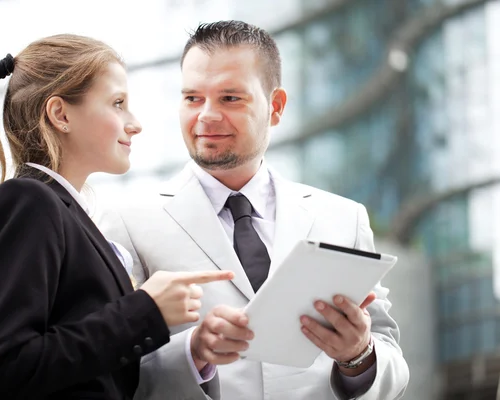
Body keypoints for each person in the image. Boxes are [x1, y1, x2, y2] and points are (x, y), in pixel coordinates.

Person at [99, 21, 410, 399]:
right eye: (193, 98)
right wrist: (192, 353)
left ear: (275, 107)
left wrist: (358, 355)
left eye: (230, 98)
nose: (207, 116)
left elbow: (392, 361)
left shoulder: (344, 219)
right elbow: (106, 364)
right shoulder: (127, 222)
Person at [0, 34, 233, 400]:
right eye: (117, 103)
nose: (135, 123)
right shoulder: (28, 202)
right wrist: (145, 310)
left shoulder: (61, 210)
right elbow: (3, 373)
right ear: (60, 114)